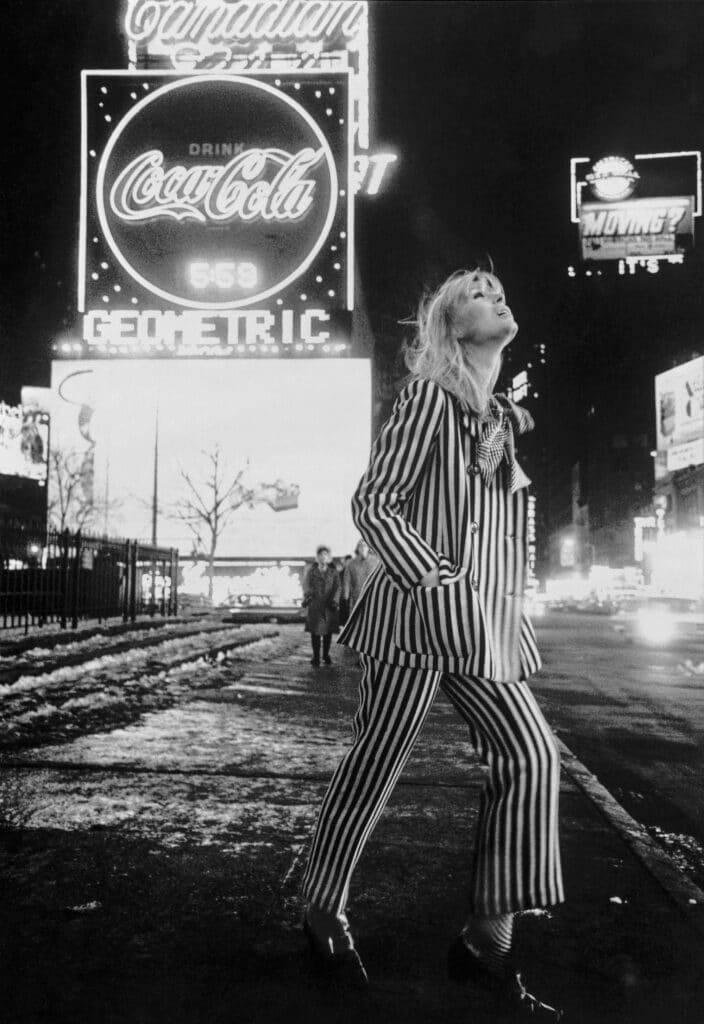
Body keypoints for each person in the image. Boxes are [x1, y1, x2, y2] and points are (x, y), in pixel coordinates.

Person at [300, 268, 564, 1019]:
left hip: (482, 625)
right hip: (418, 618)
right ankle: (321, 913)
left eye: (502, 289)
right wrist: (435, 574)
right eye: (479, 292)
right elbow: (373, 501)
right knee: (374, 766)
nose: (498, 296)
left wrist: (498, 602)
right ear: (450, 325)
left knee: (532, 755)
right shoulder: (429, 399)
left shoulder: (499, 416)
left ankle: (488, 942)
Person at [302, 545, 341, 666]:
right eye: (321, 555)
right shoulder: (311, 572)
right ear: (317, 558)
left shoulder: (333, 573)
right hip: (316, 605)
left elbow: (338, 587)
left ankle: (325, 654)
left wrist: (335, 601)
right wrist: (308, 595)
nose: (323, 557)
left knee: (328, 632)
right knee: (315, 632)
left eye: (325, 555)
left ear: (329, 558)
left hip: (329, 606)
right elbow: (306, 585)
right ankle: (316, 656)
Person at [341, 540, 379, 615]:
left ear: (369, 548)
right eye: (360, 546)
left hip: (373, 595)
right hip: (357, 596)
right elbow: (346, 581)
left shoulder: (376, 562)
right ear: (357, 549)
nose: (362, 548)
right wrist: (346, 596)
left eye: (364, 546)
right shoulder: (351, 563)